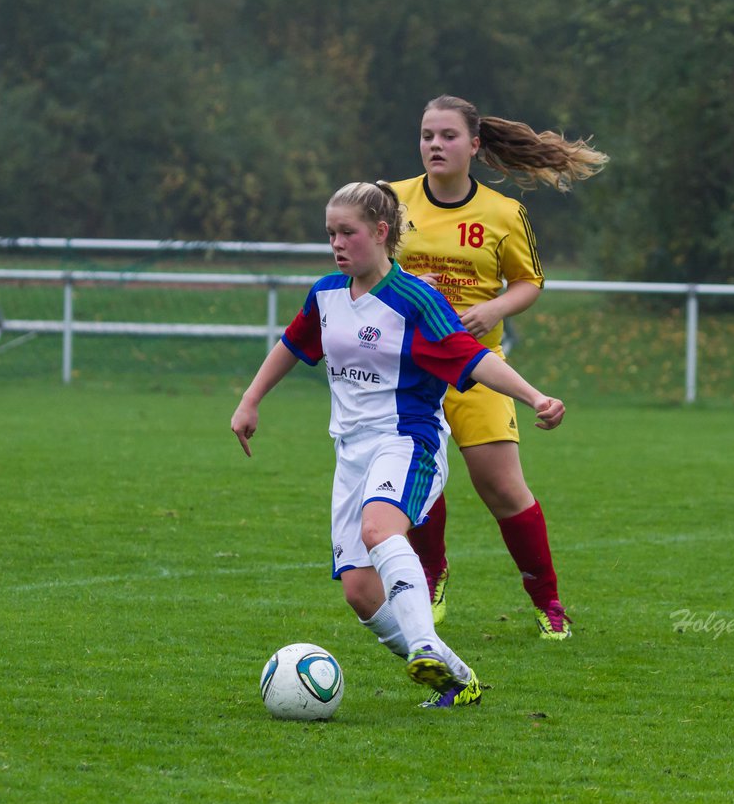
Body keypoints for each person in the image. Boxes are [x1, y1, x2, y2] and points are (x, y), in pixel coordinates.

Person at [230, 181, 565, 708]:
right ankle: (455, 676)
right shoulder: (327, 294)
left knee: (380, 526)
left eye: (348, 233)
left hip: (408, 441)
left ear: (381, 233)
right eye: (330, 234)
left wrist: (533, 395)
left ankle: (425, 643)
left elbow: (472, 356)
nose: (337, 244)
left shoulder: (416, 299)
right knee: (361, 592)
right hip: (350, 452)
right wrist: (250, 401)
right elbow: (293, 344)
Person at [390, 95, 607, 638]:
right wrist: (413, 292)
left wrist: (491, 308)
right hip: (409, 371)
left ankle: (548, 600)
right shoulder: (389, 202)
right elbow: (360, 266)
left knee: (503, 488)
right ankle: (430, 573)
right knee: (419, 484)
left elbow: (530, 283)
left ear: (475, 144)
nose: (434, 145)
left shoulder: (504, 214)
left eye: (447, 136)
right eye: (426, 135)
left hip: (477, 369)